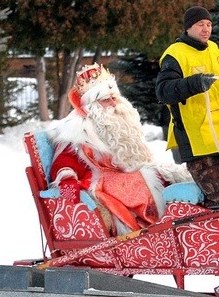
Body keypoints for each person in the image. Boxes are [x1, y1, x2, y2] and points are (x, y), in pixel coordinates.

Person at [48, 63, 193, 236]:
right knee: (141, 184)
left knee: (163, 174)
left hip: (125, 171)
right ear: (91, 105)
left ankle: (178, 223)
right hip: (100, 180)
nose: (114, 104)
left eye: (114, 98)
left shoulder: (119, 121)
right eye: (106, 100)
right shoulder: (77, 130)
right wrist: (67, 181)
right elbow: (64, 162)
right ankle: (151, 232)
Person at [156, 6, 219, 208]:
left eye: (209, 24)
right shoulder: (175, 54)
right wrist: (194, 83)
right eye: (200, 24)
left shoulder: (214, 50)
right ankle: (209, 235)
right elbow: (163, 91)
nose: (206, 29)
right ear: (188, 28)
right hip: (198, 140)